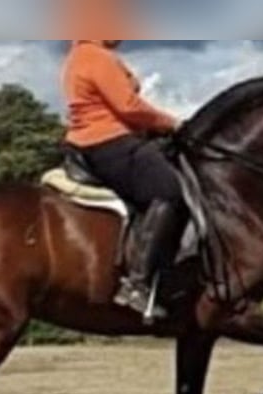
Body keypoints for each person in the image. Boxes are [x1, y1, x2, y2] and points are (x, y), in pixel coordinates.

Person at [62, 40, 187, 319]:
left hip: (97, 140)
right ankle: (137, 284)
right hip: (108, 140)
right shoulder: (96, 57)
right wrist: (172, 124)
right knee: (169, 190)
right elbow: (128, 106)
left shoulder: (82, 55)